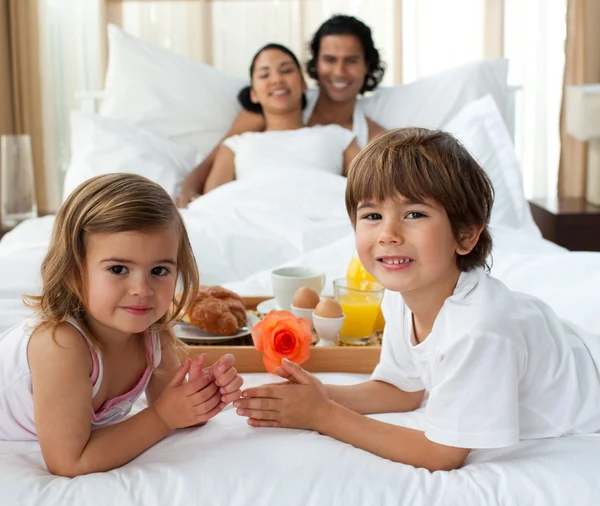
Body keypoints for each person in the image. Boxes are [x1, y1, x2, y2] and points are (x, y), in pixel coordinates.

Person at [233, 128, 600, 472]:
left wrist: (323, 415)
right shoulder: (401, 296)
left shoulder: (479, 330)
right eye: (372, 215)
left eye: (415, 214)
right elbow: (402, 390)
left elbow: (441, 453)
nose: (389, 234)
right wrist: (319, 394)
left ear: (466, 235)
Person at [0, 173, 243, 477]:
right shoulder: (60, 345)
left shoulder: (153, 333)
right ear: (74, 271)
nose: (142, 288)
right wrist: (162, 417)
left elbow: (174, 408)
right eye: (118, 269)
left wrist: (202, 396)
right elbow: (69, 461)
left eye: (159, 270)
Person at [176, 15, 386, 205]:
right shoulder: (279, 102)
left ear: (367, 65)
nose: (339, 72)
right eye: (330, 59)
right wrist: (190, 191)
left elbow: (374, 193)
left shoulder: (364, 138)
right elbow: (215, 163)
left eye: (351, 60)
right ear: (315, 65)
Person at [203, 43, 359, 193]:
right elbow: (211, 204)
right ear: (253, 94)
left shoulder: (339, 137)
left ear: (304, 84)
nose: (277, 80)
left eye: (286, 70)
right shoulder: (236, 145)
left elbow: (373, 189)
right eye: (264, 75)